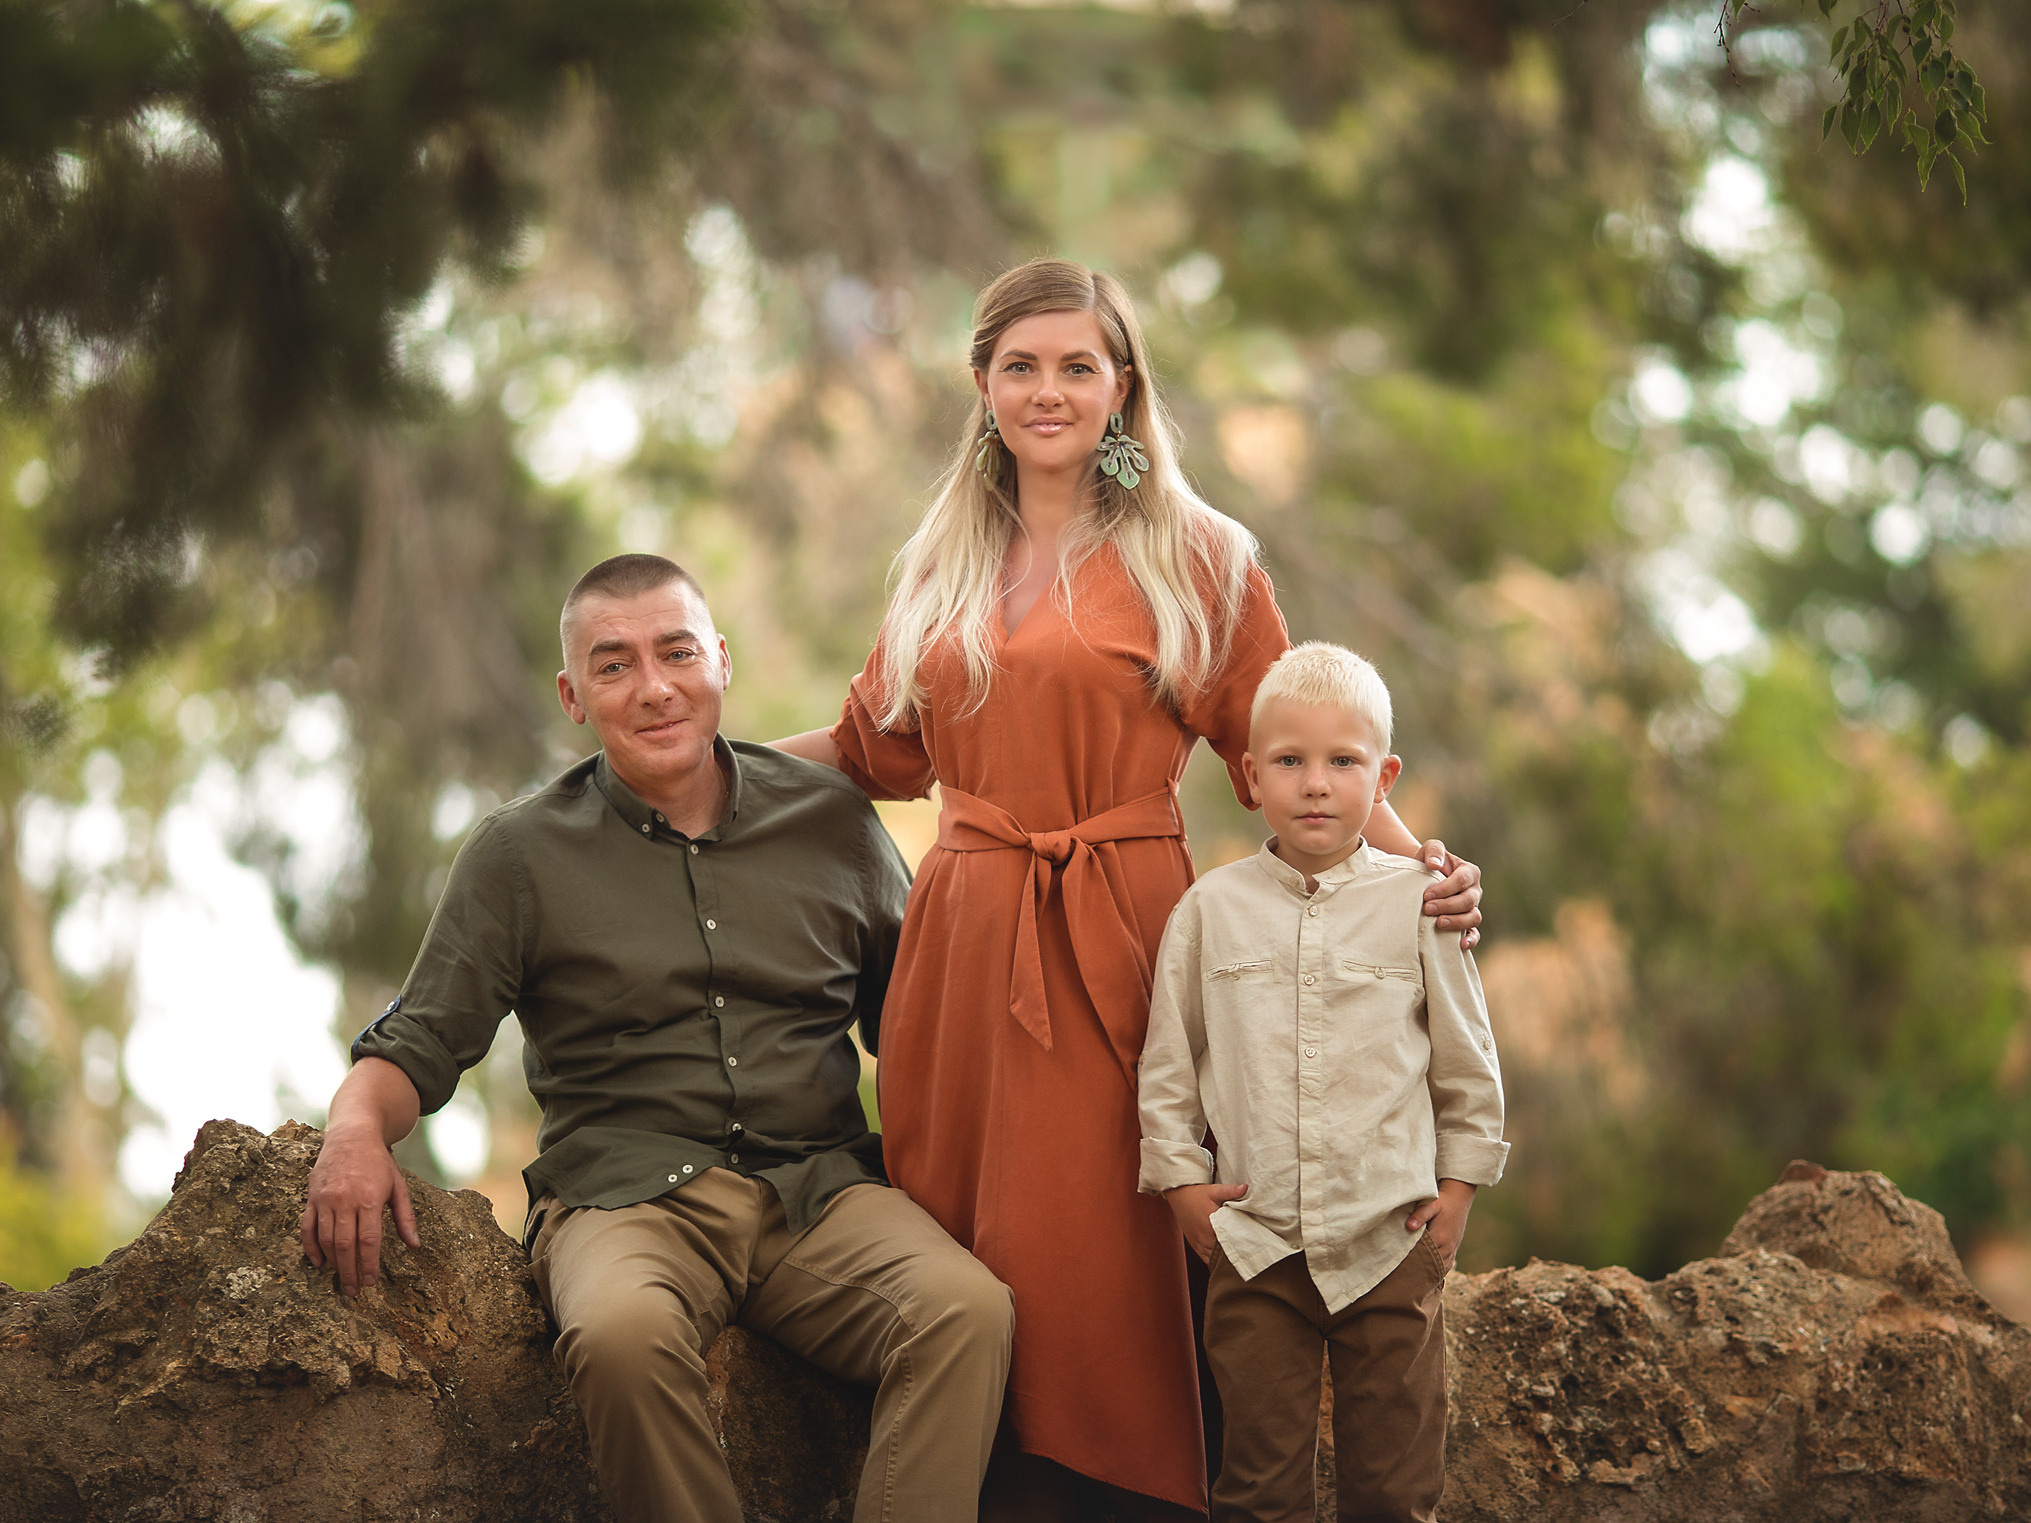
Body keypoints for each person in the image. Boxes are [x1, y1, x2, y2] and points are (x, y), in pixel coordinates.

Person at [770, 259, 1484, 1521]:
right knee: (969, 1252)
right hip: (961, 947)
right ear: (982, 385)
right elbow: (877, 749)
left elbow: (1297, 742)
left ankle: (1121, 1493)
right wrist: (693, 765)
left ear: (1122, 386)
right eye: (1022, 366)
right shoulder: (940, 555)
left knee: (1107, 1240)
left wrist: (1414, 865)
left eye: (1077, 366)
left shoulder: (1199, 553)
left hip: (1126, 941)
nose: (1049, 391)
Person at [299, 554, 1015, 1523]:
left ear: (721, 660)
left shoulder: (834, 822)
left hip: (820, 1191)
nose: (654, 686)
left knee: (966, 1312)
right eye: (614, 664)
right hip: (624, 1198)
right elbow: (417, 1043)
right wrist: (351, 1134)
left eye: (677, 652)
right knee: (621, 1334)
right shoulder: (518, 854)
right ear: (572, 695)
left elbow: (922, 1032)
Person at [1136, 643, 1508, 1523]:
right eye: (1289, 760)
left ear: (1383, 777)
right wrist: (1183, 1188)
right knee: (1257, 1488)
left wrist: (1454, 1196)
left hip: (1390, 1238)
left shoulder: (1420, 903)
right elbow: (1166, 1065)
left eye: (1342, 761)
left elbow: (1466, 1061)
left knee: (1394, 1485)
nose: (1314, 783)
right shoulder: (1208, 910)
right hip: (1256, 1250)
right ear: (1247, 774)